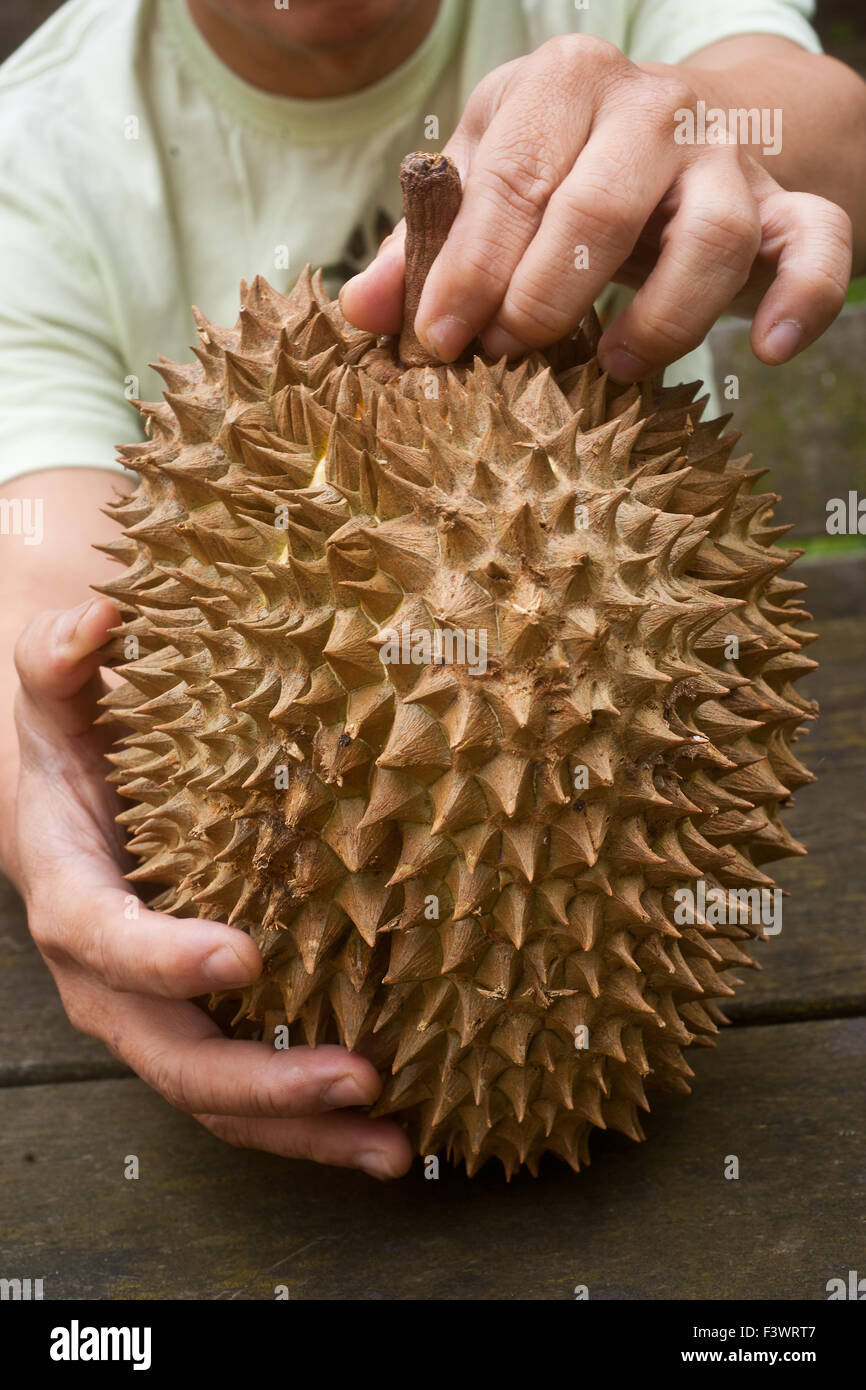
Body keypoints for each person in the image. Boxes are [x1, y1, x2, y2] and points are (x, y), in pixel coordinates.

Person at [0, 0, 862, 1181]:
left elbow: (827, 125)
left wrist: (711, 135)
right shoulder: (32, 151)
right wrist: (39, 779)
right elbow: (43, 593)